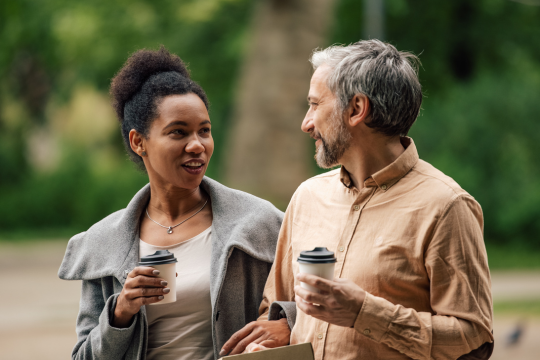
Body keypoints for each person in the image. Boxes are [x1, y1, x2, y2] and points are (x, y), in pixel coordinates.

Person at [221, 40, 494, 359]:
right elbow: (278, 305)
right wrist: (280, 329)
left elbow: (473, 337)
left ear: (356, 109)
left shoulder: (446, 207)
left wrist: (364, 313)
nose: (306, 123)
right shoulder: (307, 197)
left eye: (314, 105)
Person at [58, 46, 284, 360]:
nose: (197, 145)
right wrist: (121, 312)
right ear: (139, 142)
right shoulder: (103, 242)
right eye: (178, 132)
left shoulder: (259, 223)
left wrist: (286, 320)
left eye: (204, 131)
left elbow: (317, 300)